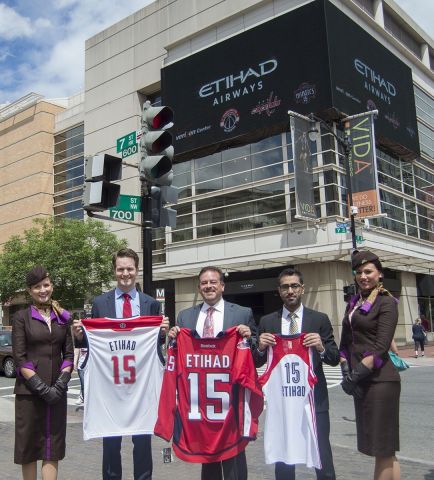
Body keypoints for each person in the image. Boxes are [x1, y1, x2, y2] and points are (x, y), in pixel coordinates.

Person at [72, 248, 169, 480]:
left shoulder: (150, 304)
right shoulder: (100, 303)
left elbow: (154, 345)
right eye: (120, 269)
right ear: (114, 271)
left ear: (137, 270)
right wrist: (79, 335)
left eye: (130, 269)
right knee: (111, 443)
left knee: (143, 443)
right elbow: (94, 343)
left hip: (141, 387)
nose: (125, 273)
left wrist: (163, 333)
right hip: (111, 386)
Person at [169, 265, 256, 480]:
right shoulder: (185, 317)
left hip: (231, 403)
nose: (209, 286)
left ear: (222, 286)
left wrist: (250, 338)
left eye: (213, 282)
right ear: (199, 288)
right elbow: (177, 357)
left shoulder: (242, 314)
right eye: (204, 283)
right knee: (207, 462)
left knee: (235, 460)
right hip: (200, 404)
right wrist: (171, 338)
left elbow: (256, 355)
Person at [254, 267, 339, 480]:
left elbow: (334, 357)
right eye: (285, 287)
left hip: (313, 400)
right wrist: (260, 347)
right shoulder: (268, 322)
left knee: (322, 454)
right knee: (284, 456)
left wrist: (321, 346)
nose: (290, 291)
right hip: (281, 400)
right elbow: (257, 361)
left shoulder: (319, 319)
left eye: (294, 286)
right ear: (279, 291)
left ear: (302, 288)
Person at [339, 251, 401, 480]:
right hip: (362, 379)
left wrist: (354, 376)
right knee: (384, 449)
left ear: (379, 274)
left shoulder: (387, 302)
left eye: (368, 272)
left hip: (381, 381)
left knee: (381, 449)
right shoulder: (354, 302)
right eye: (359, 272)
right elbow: (345, 341)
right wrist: (346, 370)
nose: (363, 276)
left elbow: (380, 349)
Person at [12, 266, 73, 480]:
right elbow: (20, 358)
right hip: (30, 393)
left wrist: (60, 384)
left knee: (52, 446)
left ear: (52, 286)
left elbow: (68, 355)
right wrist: (41, 387)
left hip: (57, 392)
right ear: (30, 291)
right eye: (37, 287)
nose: (42, 290)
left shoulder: (62, 317)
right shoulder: (21, 317)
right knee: (29, 447)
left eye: (46, 285)